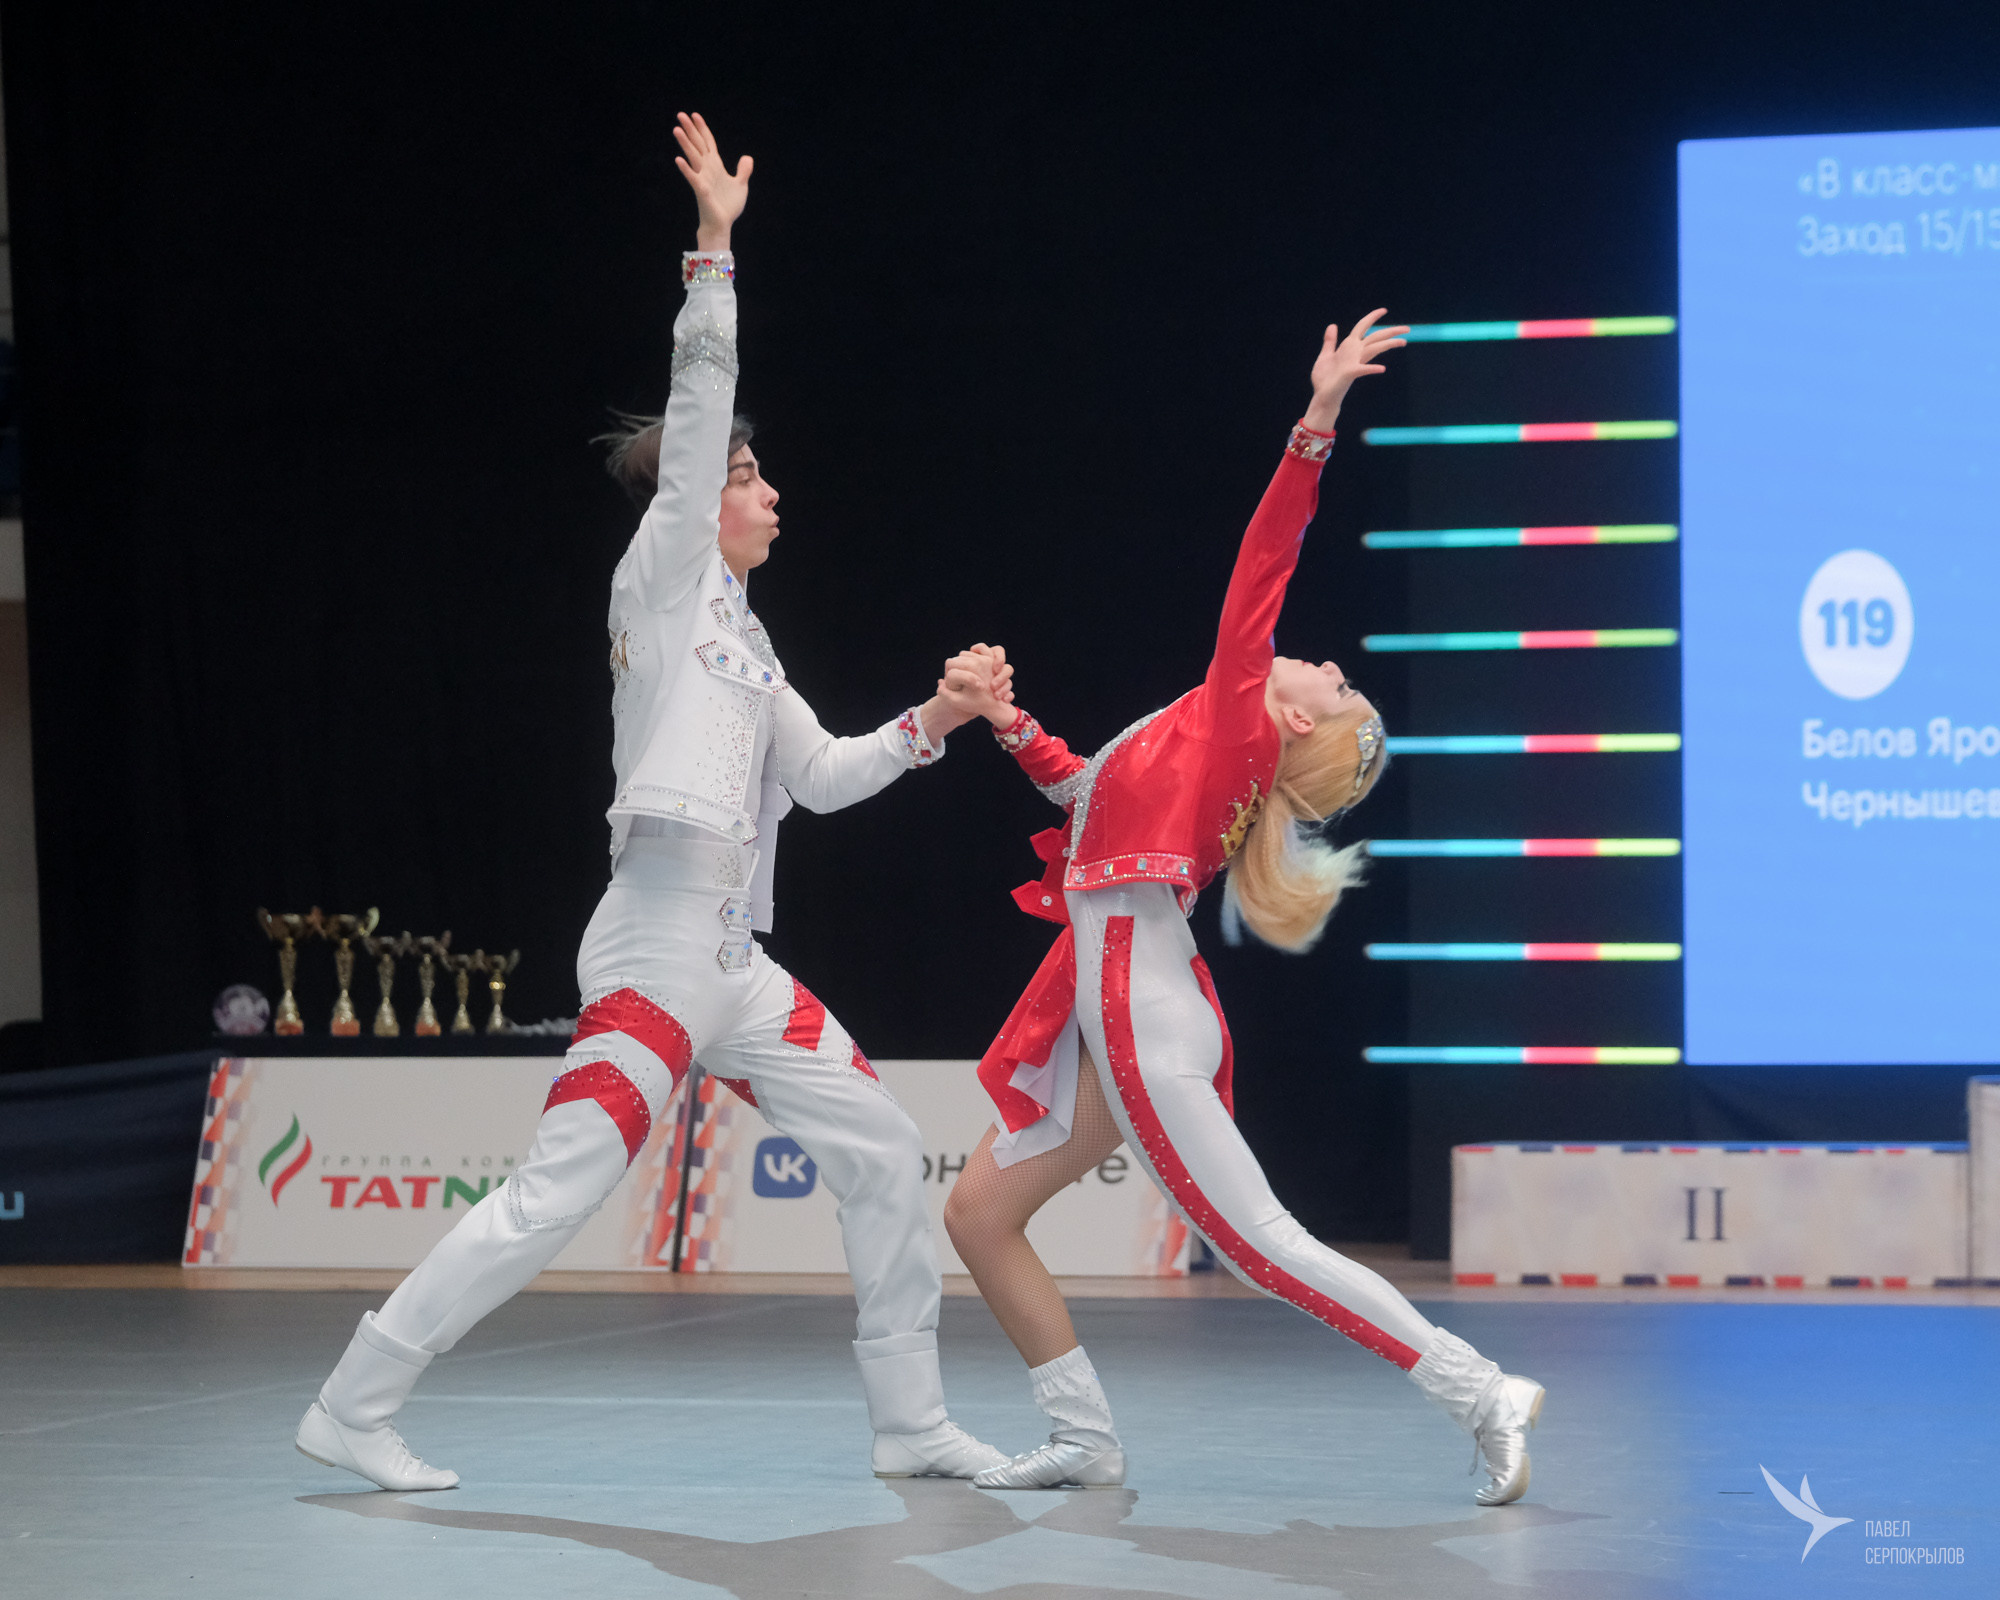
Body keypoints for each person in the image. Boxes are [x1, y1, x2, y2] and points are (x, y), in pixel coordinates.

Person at [295, 114, 1006, 1492]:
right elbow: (692, 435)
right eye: (753, 474)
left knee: (878, 1149)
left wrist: (936, 721)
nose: (768, 487)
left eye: (755, 473)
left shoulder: (745, 641)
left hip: (733, 962)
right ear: (701, 503)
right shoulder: (664, 581)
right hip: (655, 949)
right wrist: (716, 253)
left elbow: (823, 776)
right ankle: (358, 1397)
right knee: (560, 1188)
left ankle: (912, 1422)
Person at [933, 312, 1546, 1504]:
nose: (1323, 661)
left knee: (1265, 1244)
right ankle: (1081, 1437)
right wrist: (1005, 720)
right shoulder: (1197, 747)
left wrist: (1314, 421)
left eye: (1339, 680)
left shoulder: (1229, 711)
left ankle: (1477, 1388)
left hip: (1131, 1011)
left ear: (1305, 721)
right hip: (1119, 1006)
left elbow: (1263, 559)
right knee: (976, 1214)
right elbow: (1082, 798)